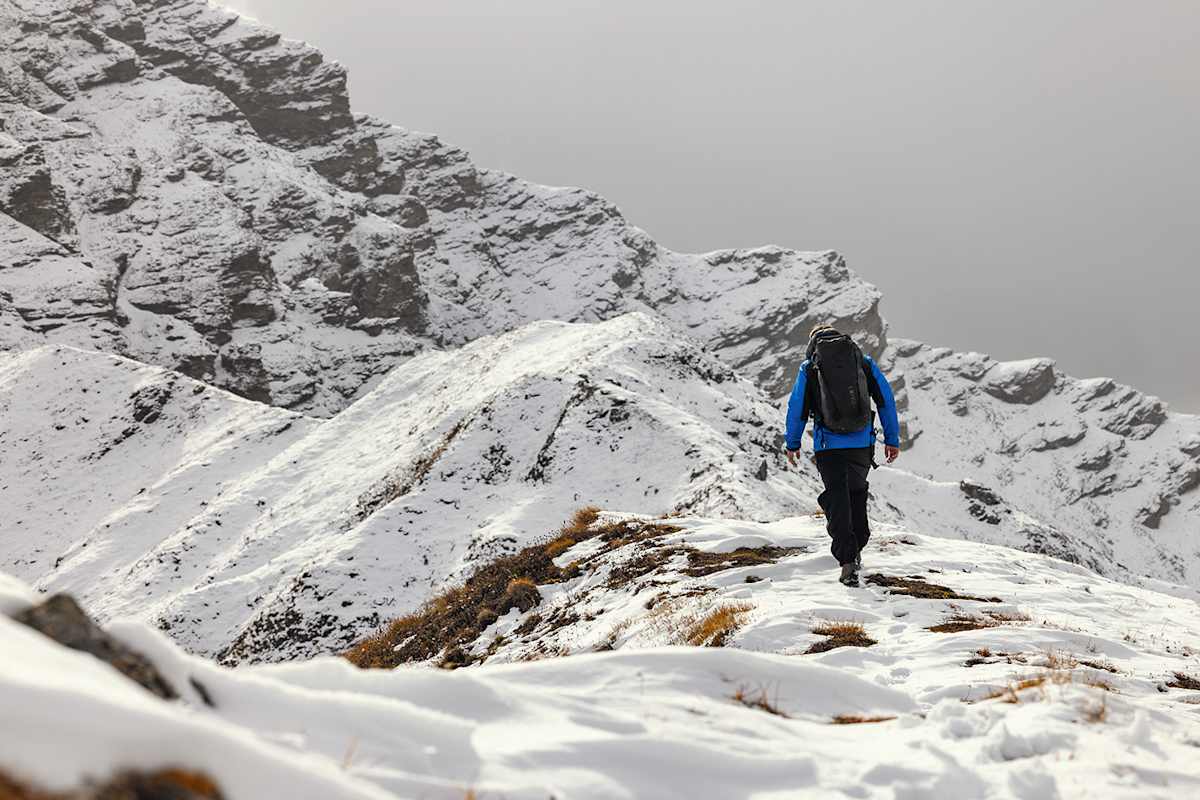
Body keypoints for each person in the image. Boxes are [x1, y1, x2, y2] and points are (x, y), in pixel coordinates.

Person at [784, 325, 901, 586]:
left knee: (837, 497)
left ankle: (847, 561)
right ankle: (857, 546)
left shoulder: (809, 368)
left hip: (829, 447)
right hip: (861, 445)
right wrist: (892, 439)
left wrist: (792, 443)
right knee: (856, 494)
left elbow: (797, 407)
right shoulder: (863, 362)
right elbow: (886, 400)